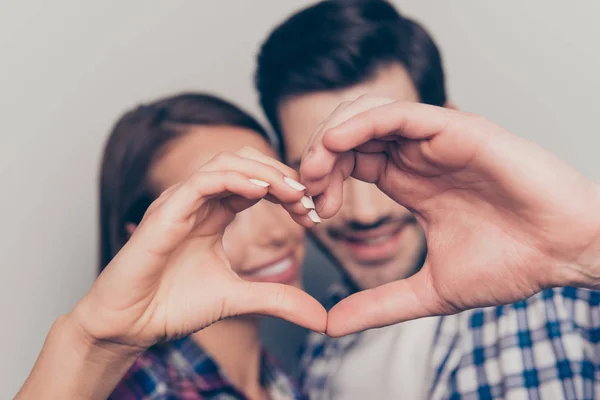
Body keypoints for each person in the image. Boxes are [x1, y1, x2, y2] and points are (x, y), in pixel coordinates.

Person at [255, 1, 600, 398]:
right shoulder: (318, 348)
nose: (366, 214)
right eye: (326, 170)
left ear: (449, 130)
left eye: (386, 157)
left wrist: (588, 247)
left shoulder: (563, 291)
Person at [16, 92, 327, 400]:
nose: (275, 233)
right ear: (143, 241)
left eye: (273, 193)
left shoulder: (287, 379)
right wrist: (92, 342)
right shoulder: (146, 391)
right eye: (224, 209)